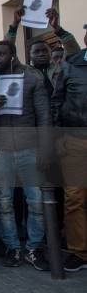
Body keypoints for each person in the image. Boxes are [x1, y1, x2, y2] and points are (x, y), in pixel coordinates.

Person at [0, 40, 51, 271]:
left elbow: (44, 117)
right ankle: (13, 247)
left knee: (35, 202)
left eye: (1, 54)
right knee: (4, 203)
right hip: (0, 150)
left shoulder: (32, 79)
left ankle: (33, 249)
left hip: (29, 149)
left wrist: (44, 149)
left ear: (13, 56)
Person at [51, 24, 87, 273]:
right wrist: (58, 136)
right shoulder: (71, 64)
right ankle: (79, 251)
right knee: (74, 199)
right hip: (75, 140)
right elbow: (57, 100)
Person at [6, 7, 80, 96]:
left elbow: (74, 51)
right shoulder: (23, 71)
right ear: (29, 55)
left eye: (45, 50)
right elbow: (7, 51)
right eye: (36, 51)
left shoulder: (61, 68)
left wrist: (57, 28)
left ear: (50, 53)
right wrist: (14, 25)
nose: (41, 54)